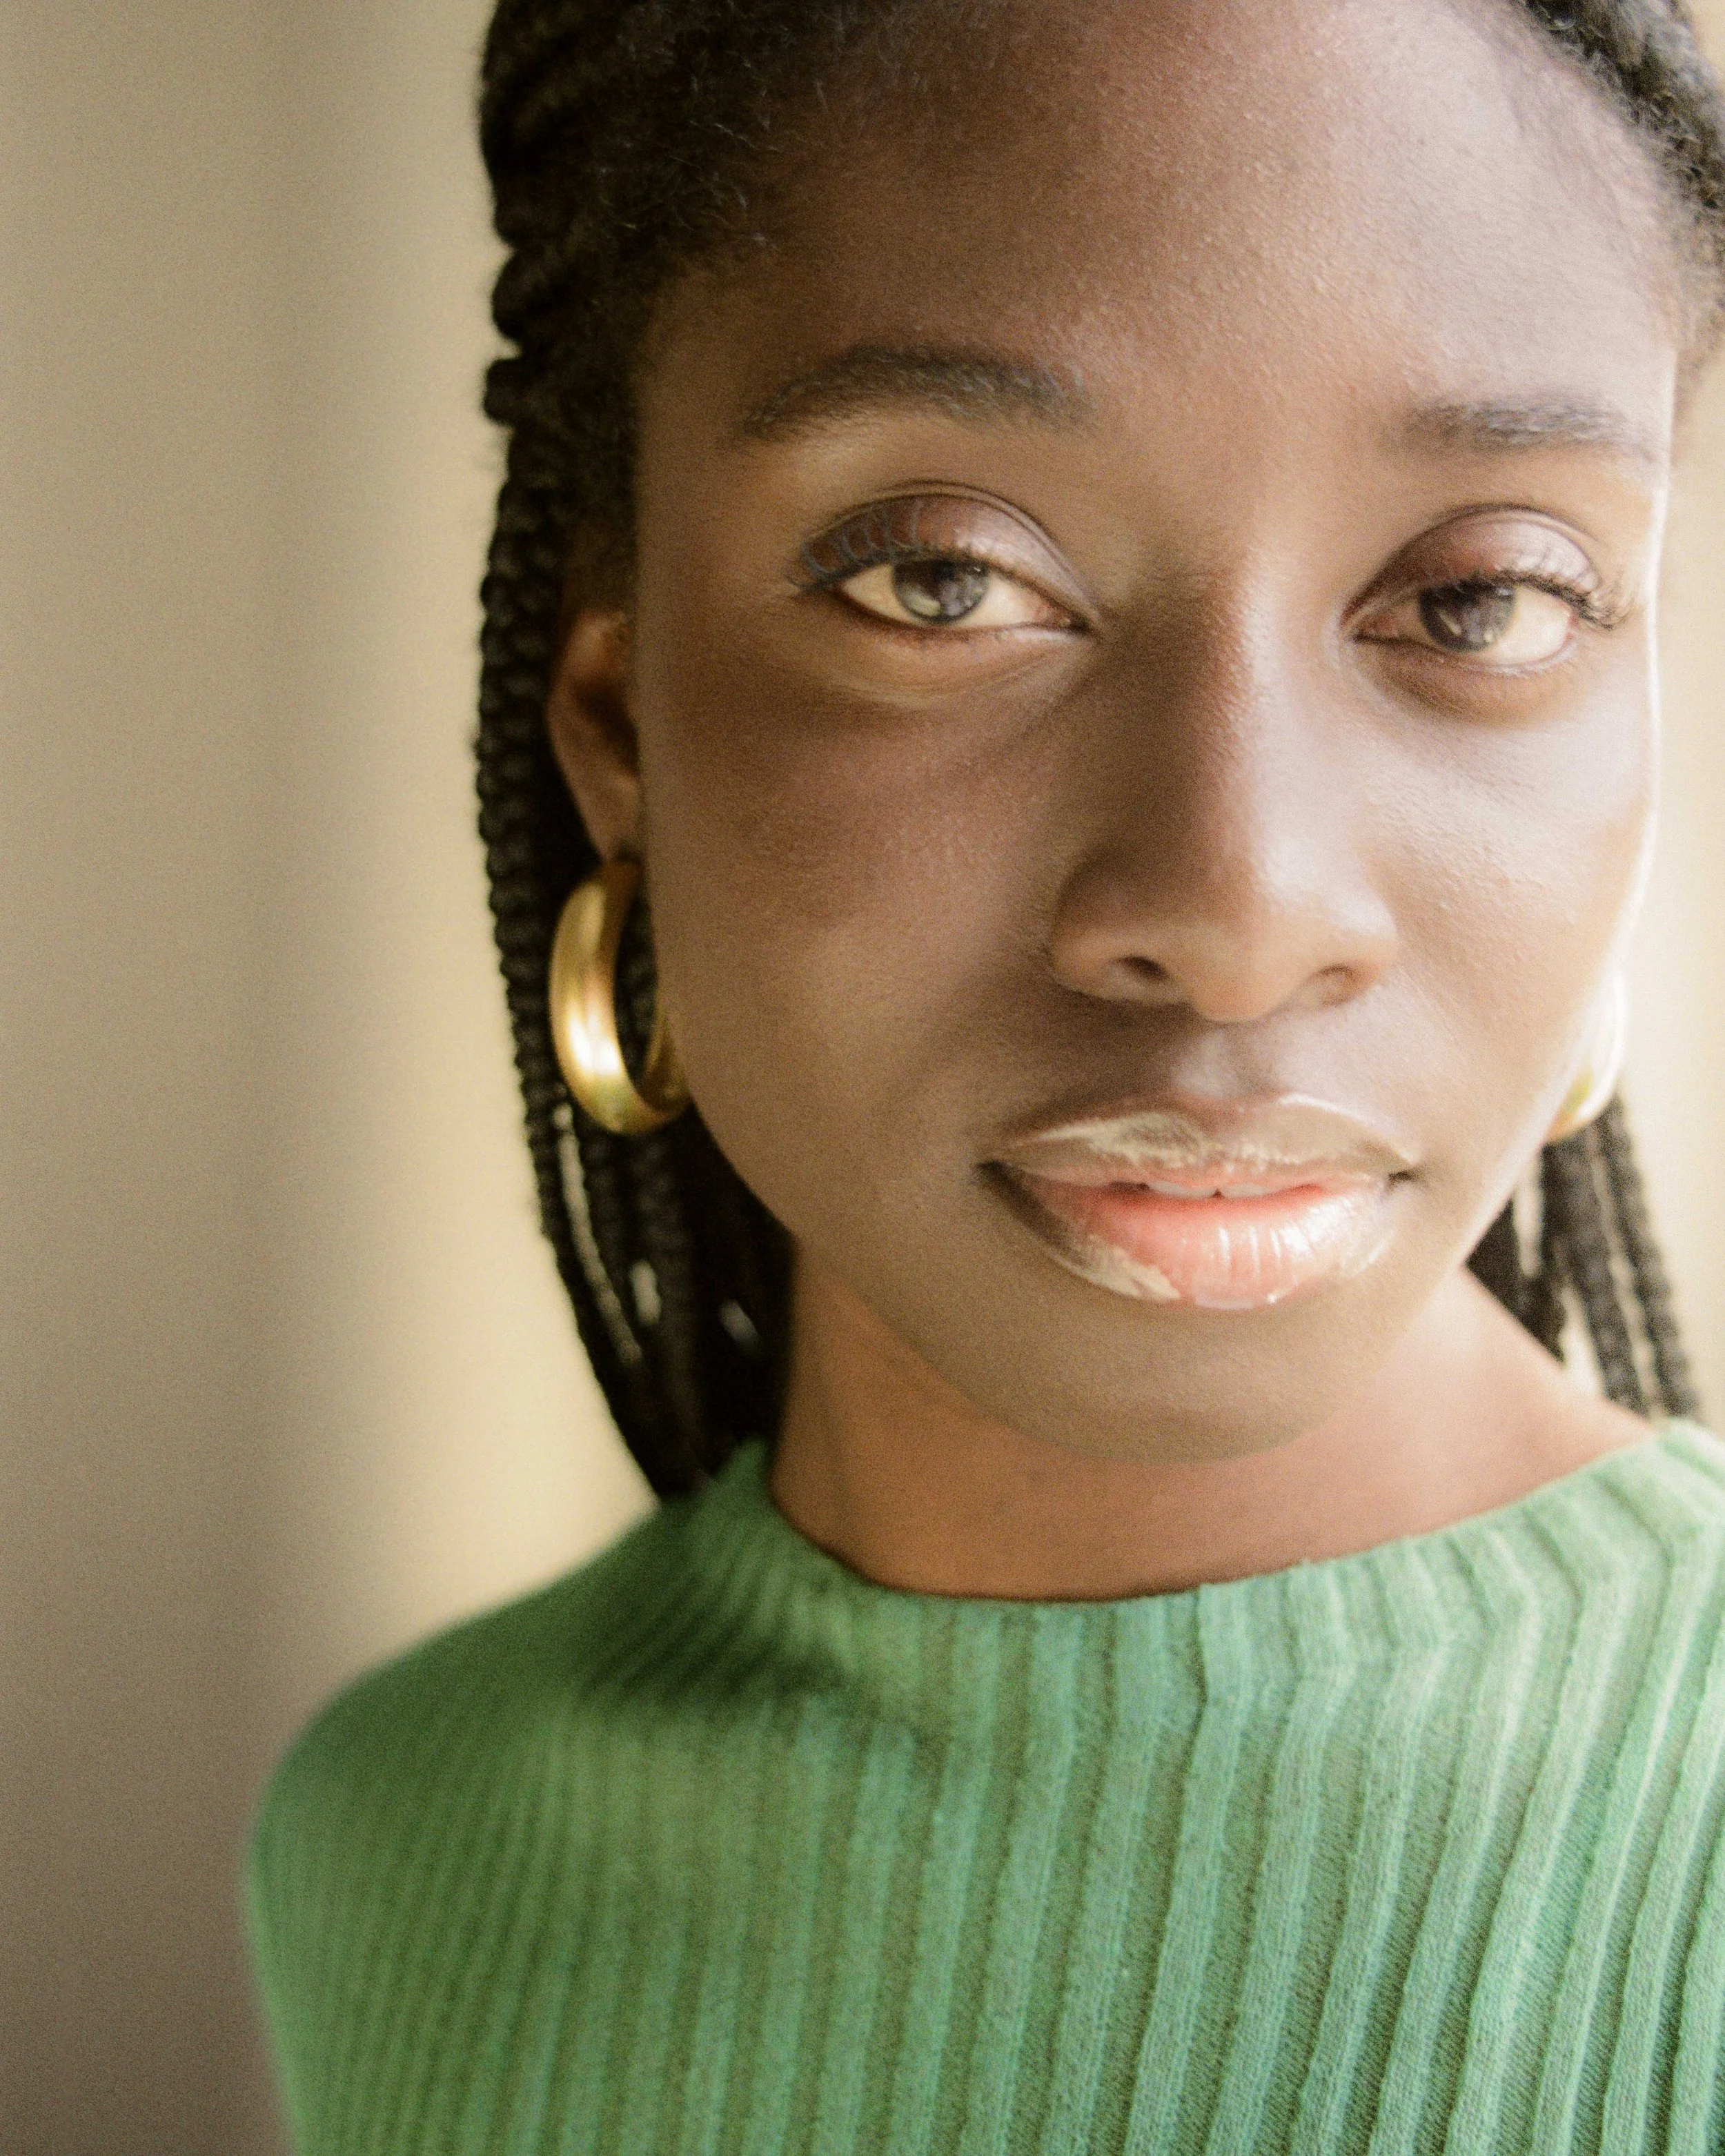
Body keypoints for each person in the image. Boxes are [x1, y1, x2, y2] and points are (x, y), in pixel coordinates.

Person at [248, 0, 1725, 2147]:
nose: (1235, 904)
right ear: (615, 712)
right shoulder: (408, 1842)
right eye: (942, 580)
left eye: (1482, 600)